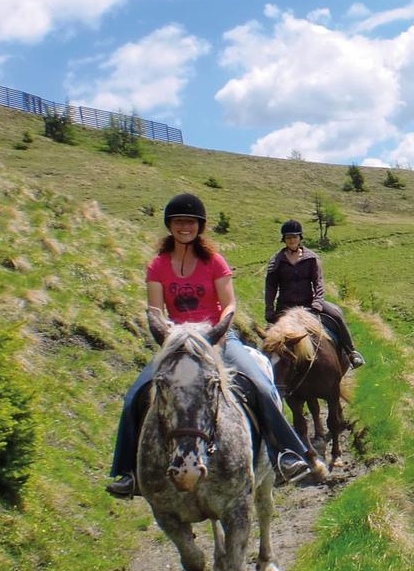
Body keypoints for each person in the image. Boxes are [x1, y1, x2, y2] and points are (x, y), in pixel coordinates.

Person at [106, 194, 313, 498]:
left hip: (218, 339)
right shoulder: (158, 265)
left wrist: (217, 332)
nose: (184, 226)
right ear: (170, 225)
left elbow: (229, 305)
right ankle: (126, 472)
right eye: (178, 221)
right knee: (135, 395)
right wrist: (164, 332)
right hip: (177, 342)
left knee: (260, 383)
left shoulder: (214, 261)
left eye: (190, 222)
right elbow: (154, 309)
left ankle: (286, 452)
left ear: (200, 226)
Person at [264, 219, 365, 368]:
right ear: (284, 240)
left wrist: (317, 302)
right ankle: (264, 361)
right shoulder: (276, 261)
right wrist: (269, 309)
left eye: (294, 237)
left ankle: (351, 353)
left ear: (300, 238)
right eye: (288, 238)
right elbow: (271, 287)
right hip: (286, 306)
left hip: (309, 303)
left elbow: (318, 282)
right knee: (269, 335)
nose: (292, 240)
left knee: (337, 316)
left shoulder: (311, 258)